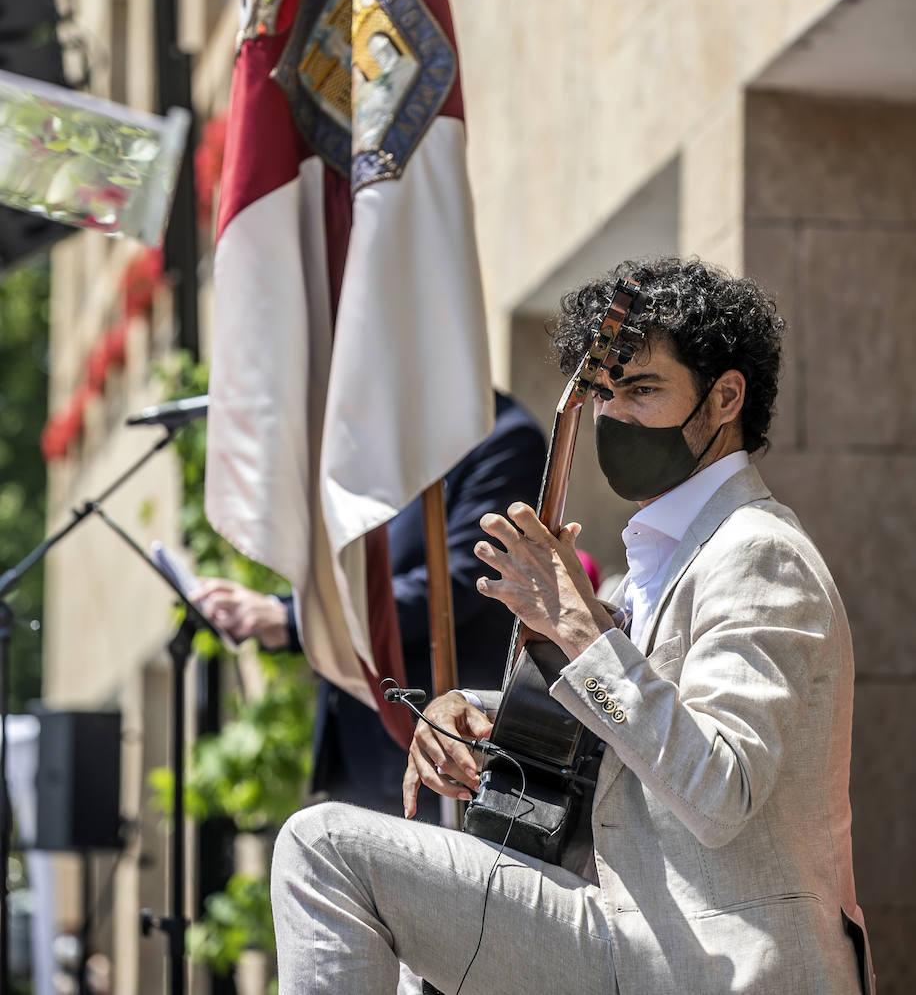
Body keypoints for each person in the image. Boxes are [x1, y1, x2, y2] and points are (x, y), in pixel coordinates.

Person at [269, 255, 875, 995]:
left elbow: (719, 789)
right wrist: (470, 714)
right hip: (628, 933)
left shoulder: (760, 553)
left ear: (724, 398)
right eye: (607, 395)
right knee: (399, 928)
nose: (617, 418)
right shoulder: (647, 571)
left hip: (710, 960)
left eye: (644, 390)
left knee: (324, 846)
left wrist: (582, 631)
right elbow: (618, 728)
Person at [193, 391, 548, 820]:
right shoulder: (384, 435)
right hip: (358, 737)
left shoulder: (503, 437)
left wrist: (290, 618)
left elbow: (459, 584)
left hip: (435, 748)